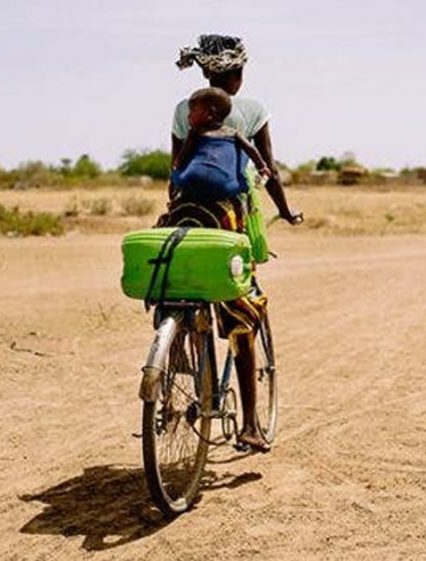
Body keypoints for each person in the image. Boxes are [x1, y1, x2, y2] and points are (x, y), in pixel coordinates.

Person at [159, 34, 300, 453]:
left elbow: (175, 167)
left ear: (205, 74)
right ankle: (251, 425)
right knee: (242, 308)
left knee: (174, 275)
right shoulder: (252, 111)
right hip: (229, 218)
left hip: (185, 212)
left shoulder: (186, 111)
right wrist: (287, 211)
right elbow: (268, 170)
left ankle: (176, 345)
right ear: (238, 76)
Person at [171, 86, 272, 202]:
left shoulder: (194, 132)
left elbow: (182, 155)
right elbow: (250, 149)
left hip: (192, 179)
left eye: (192, 110)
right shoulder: (234, 133)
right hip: (224, 185)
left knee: (177, 177)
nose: (188, 116)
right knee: (244, 187)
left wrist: (176, 169)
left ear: (210, 113)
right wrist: (262, 167)